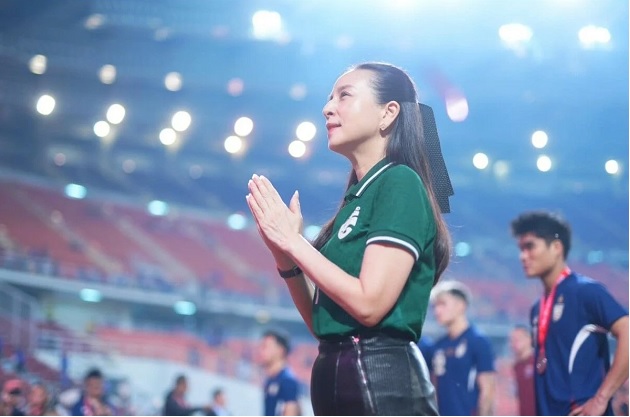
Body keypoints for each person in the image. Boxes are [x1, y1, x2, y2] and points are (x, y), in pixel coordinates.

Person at [246, 61, 453, 415]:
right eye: (330, 98)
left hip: (383, 383)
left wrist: (296, 242)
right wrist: (284, 254)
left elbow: (369, 305)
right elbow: (322, 323)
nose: (327, 108)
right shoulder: (357, 197)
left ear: (388, 113)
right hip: (340, 377)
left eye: (344, 96)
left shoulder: (400, 182)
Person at [510, 211, 629, 416]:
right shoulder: (537, 309)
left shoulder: (585, 291)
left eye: (530, 246)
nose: (523, 256)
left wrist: (601, 398)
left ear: (556, 247)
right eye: (521, 249)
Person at [427, 280, 496, 415]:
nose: (437, 311)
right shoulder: (438, 346)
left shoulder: (478, 341)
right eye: (435, 306)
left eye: (442, 304)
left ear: (460, 306)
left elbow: (487, 391)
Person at [258, 330, 301, 416]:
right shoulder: (271, 379)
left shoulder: (287, 381)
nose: (261, 351)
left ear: (280, 350)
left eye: (265, 347)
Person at [509, 324, 535, 416]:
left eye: (517, 339)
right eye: (512, 340)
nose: (513, 344)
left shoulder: (538, 363)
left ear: (529, 339)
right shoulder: (516, 366)